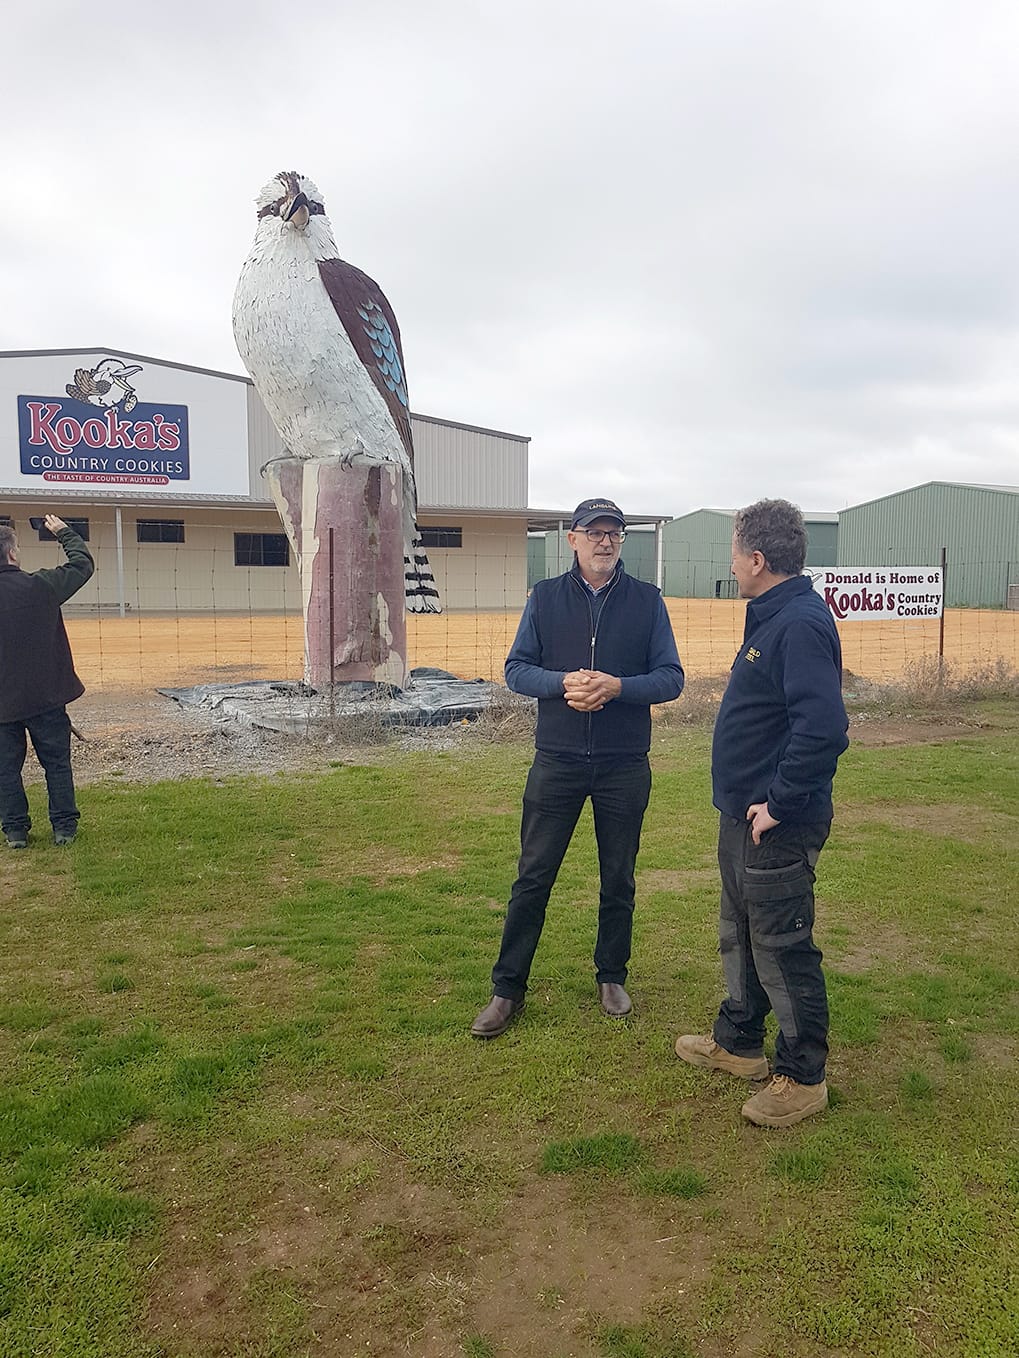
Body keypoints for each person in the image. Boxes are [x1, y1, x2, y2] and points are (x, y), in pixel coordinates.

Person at [471, 498, 685, 1038]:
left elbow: (671, 678)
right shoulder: (544, 599)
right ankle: (507, 989)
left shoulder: (647, 601)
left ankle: (611, 975)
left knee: (618, 877)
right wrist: (562, 683)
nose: (605, 541)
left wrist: (617, 687)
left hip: (623, 764)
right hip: (558, 761)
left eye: (614, 533)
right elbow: (517, 669)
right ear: (572, 539)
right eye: (594, 532)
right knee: (532, 877)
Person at [675, 499, 849, 1127]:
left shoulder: (798, 622)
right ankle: (741, 1040)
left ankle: (803, 1075)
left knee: (782, 943)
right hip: (741, 817)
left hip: (775, 821)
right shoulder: (772, 615)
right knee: (741, 930)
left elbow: (823, 729)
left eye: (733, 551)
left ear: (756, 558)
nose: (731, 563)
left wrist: (779, 803)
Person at [0, 515, 95, 848]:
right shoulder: (41, 586)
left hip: (2, 704)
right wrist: (64, 532)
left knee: (4, 770)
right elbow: (82, 564)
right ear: (12, 554)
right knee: (56, 764)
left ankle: (15, 831)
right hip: (46, 697)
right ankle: (64, 828)